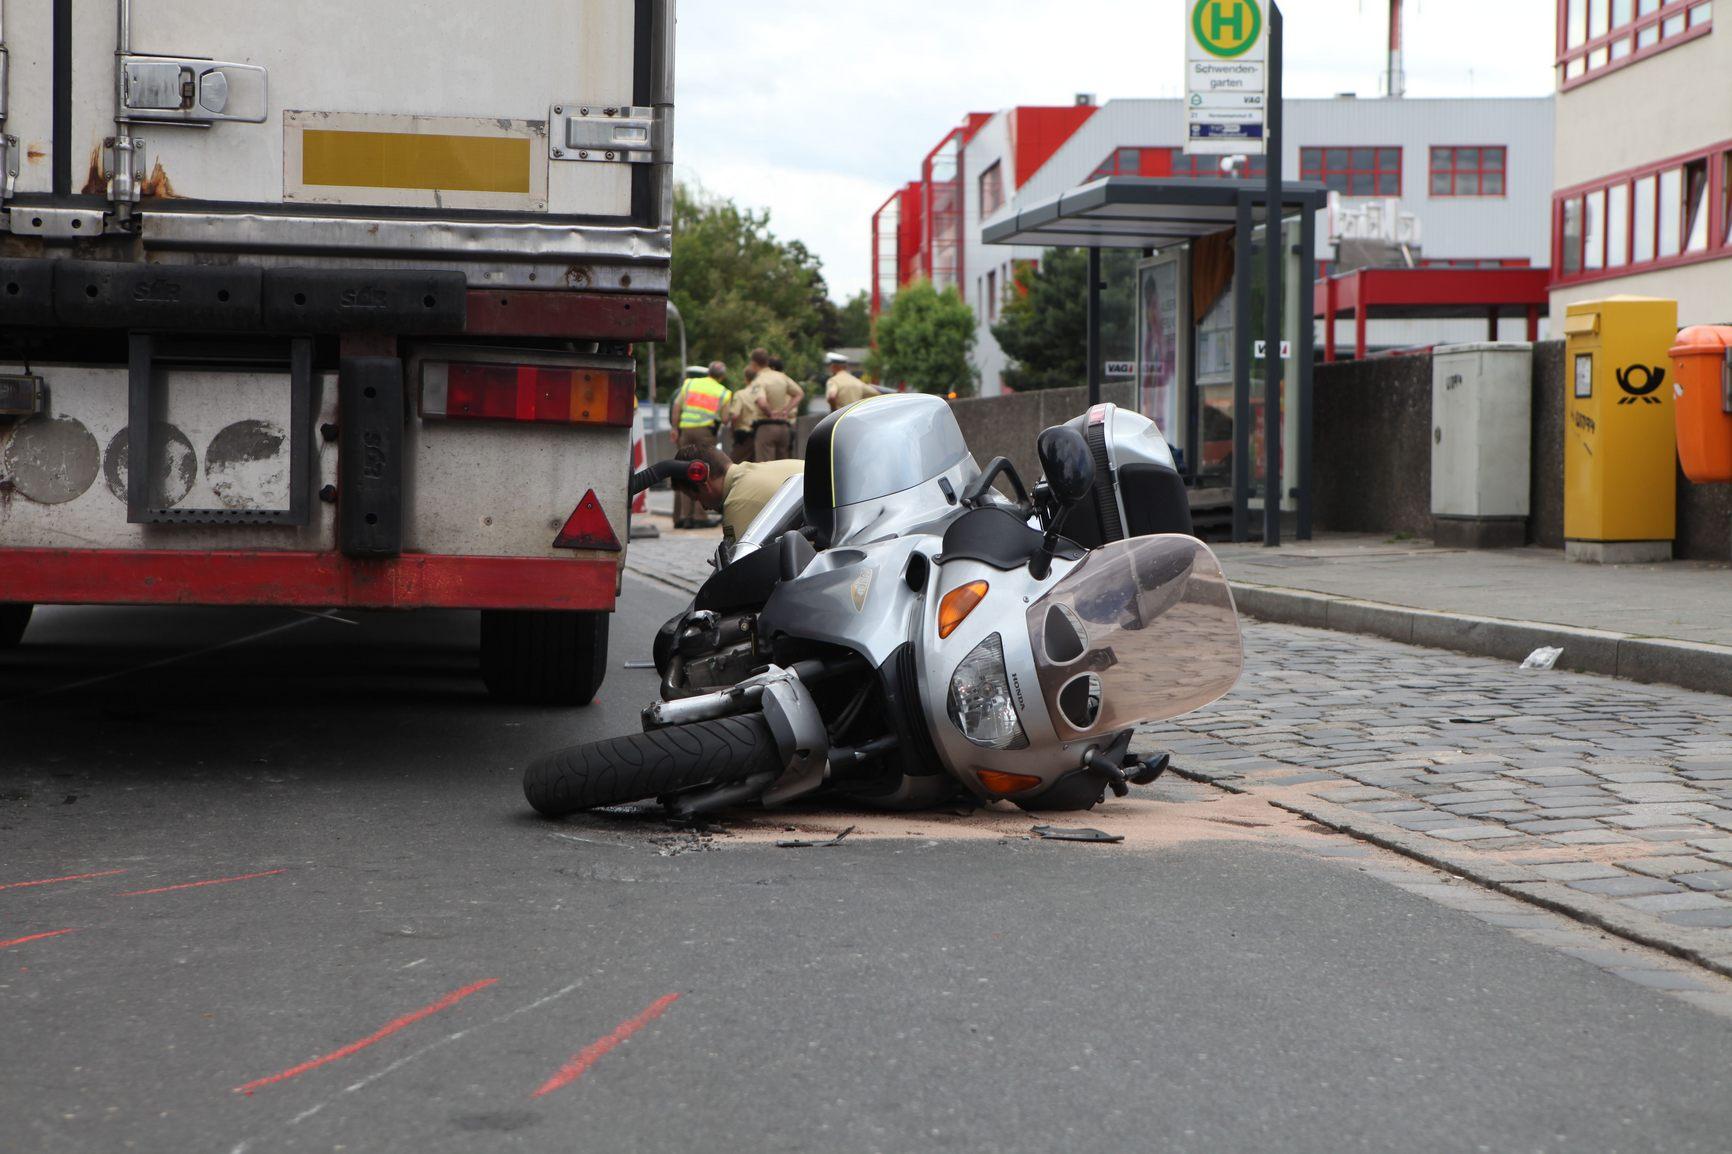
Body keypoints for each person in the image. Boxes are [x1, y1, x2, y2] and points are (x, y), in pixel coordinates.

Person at [669, 443, 803, 543]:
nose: (703, 507)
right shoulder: (755, 471)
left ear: (704, 486)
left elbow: (740, 568)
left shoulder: (737, 501)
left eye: (696, 498)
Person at [668, 361, 731, 529]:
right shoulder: (723, 392)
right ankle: (699, 516)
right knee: (703, 473)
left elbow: (676, 406)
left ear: (708, 372)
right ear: (722, 376)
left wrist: (675, 428)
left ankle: (682, 516)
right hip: (705, 434)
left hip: (685, 431)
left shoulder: (690, 384)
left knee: (682, 470)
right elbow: (725, 419)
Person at [747, 348, 804, 462]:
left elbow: (762, 403)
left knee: (766, 466)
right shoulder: (781, 376)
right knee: (782, 466)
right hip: (784, 428)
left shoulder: (759, 380)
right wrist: (785, 411)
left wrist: (770, 413)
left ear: (753, 364)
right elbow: (799, 394)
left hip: (766, 426)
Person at [724, 366, 762, 465]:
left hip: (745, 436)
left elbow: (735, 415)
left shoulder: (741, 394)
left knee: (733, 464)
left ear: (746, 378)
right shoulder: (763, 394)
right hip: (762, 434)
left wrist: (732, 430)